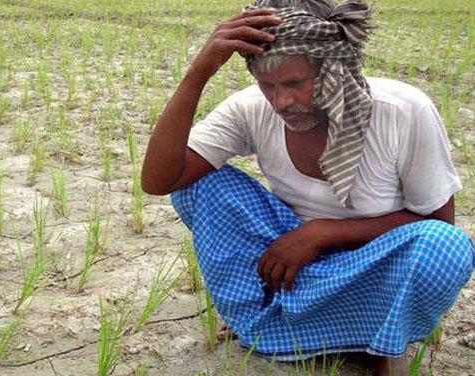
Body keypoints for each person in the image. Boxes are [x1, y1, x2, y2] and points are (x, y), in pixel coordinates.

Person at [141, 0, 475, 374]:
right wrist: (200, 71)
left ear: (334, 69)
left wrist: (323, 233)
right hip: (289, 266)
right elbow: (159, 180)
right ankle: (281, 324)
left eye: (296, 83)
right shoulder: (250, 109)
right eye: (267, 85)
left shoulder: (402, 111)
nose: (282, 101)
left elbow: (439, 223)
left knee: (444, 248)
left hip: (370, 264)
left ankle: (375, 344)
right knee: (199, 188)